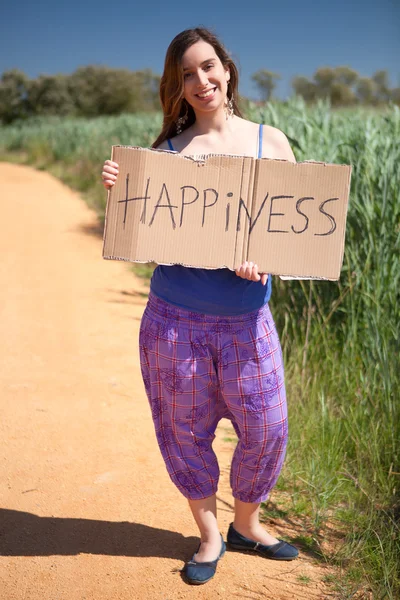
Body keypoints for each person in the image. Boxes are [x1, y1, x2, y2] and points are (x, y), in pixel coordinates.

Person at [101, 27, 299, 585]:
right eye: (187, 74)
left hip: (247, 321)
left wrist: (263, 256)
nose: (201, 80)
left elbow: (294, 231)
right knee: (184, 431)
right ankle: (210, 536)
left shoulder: (270, 141)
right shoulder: (164, 155)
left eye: (208, 66)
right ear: (177, 86)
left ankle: (248, 524)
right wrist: (121, 189)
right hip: (175, 321)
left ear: (228, 69)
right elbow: (141, 233)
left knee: (268, 426)